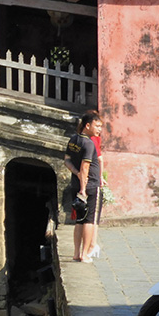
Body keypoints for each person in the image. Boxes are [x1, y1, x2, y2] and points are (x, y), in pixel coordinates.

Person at [64, 110, 103, 263]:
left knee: (79, 220)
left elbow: (67, 160)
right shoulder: (88, 143)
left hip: (76, 184)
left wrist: (76, 174)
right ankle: (85, 254)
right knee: (89, 220)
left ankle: (76, 252)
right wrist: (83, 187)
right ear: (88, 125)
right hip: (89, 186)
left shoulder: (73, 139)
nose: (99, 129)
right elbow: (85, 167)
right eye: (97, 126)